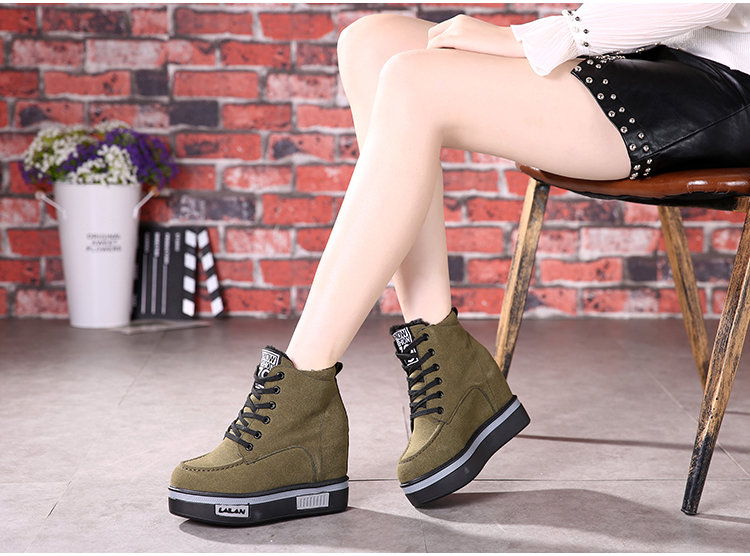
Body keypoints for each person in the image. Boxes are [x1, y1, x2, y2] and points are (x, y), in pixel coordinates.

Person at [168, 4, 750, 525]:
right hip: (647, 52)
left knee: (414, 84)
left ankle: (300, 403)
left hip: (723, 88)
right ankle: (447, 362)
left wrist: (531, 38)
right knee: (371, 43)